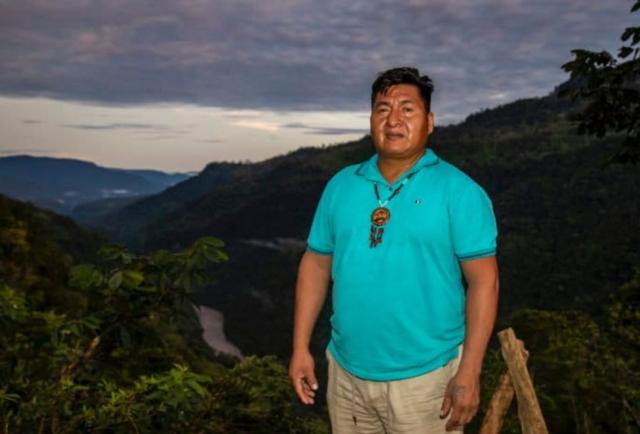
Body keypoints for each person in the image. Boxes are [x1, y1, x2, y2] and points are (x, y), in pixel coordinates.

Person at [289, 66, 499, 433]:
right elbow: (316, 264)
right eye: (383, 109)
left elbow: (485, 283)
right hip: (346, 376)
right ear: (371, 119)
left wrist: (470, 370)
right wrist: (300, 347)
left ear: (429, 122)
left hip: (428, 381)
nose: (393, 120)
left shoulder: (460, 191)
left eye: (407, 109)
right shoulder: (341, 185)